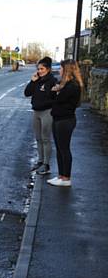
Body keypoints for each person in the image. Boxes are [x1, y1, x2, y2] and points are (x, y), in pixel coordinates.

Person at [47, 59, 83, 187]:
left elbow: (57, 100)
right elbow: (53, 97)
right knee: (59, 149)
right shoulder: (64, 84)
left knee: (64, 149)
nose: (59, 70)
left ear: (67, 69)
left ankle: (66, 178)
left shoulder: (72, 86)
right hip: (58, 119)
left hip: (65, 120)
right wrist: (56, 91)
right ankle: (61, 176)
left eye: (61, 68)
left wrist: (56, 91)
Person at [24, 57, 57, 175]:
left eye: (42, 69)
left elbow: (53, 98)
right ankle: (40, 161)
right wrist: (32, 81)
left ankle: (46, 164)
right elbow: (27, 93)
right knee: (38, 138)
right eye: (38, 69)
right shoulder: (37, 80)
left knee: (45, 139)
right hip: (36, 112)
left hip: (47, 112)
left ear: (48, 69)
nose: (39, 71)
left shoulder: (52, 81)